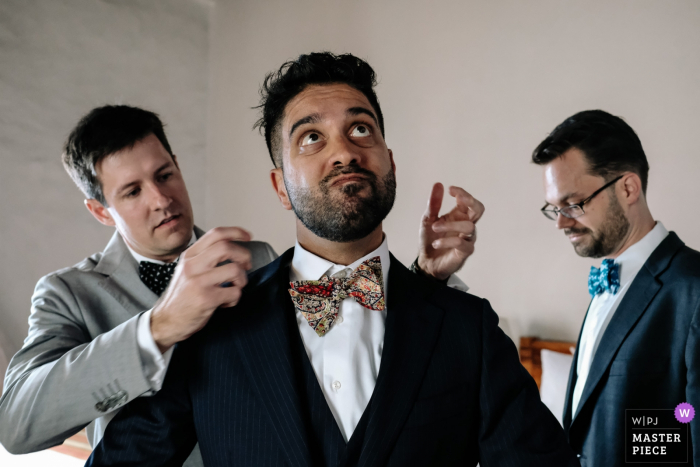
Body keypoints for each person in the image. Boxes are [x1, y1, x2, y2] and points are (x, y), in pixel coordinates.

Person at [85, 52, 577, 467]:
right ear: (281, 187)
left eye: (361, 128)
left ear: (389, 162)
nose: (344, 151)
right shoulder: (213, 326)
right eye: (312, 137)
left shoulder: (467, 327)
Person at [0, 101, 480, 465]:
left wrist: (422, 282)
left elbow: (354, 358)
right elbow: (17, 426)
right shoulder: (68, 294)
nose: (161, 198)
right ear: (101, 211)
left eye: (165, 174)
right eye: (132, 191)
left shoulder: (257, 260)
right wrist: (160, 326)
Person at [533, 110, 700, 466]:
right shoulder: (608, 279)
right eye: (554, 208)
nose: (561, 222)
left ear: (628, 188)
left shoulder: (693, 289)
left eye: (574, 204)